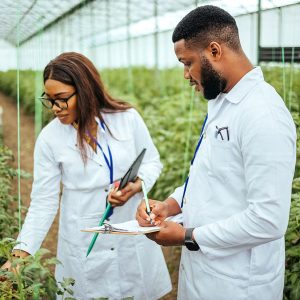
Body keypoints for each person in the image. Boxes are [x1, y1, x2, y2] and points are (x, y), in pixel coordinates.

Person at [136, 5, 297, 300]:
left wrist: (186, 235)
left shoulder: (263, 115)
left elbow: (269, 219)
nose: (186, 75)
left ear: (214, 51)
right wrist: (170, 205)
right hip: (206, 272)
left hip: (238, 285)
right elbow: (211, 176)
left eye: (187, 63)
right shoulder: (222, 102)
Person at [2, 52, 171, 299]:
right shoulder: (50, 139)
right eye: (49, 100)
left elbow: (152, 162)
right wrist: (18, 257)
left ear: (85, 89)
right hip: (83, 236)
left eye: (61, 99)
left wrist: (135, 187)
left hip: (128, 230)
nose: (55, 108)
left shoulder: (126, 119)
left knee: (137, 290)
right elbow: (43, 203)